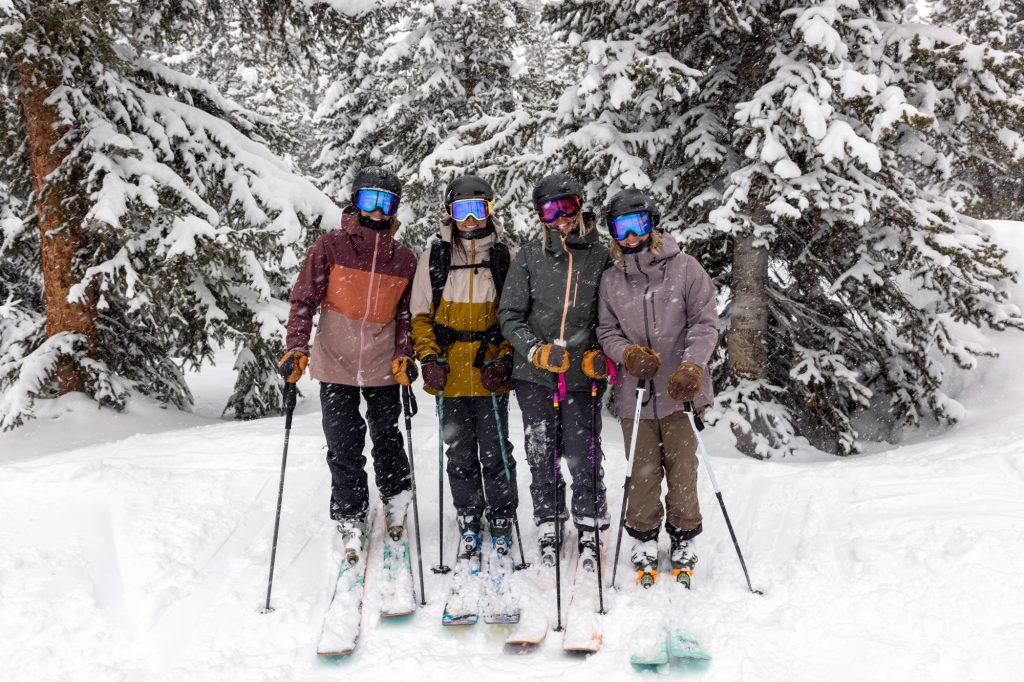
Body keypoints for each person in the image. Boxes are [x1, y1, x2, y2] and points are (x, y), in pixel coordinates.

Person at [278, 166, 419, 559]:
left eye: (385, 202)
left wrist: (403, 355)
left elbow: (405, 317)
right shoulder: (330, 246)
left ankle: (395, 498)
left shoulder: (404, 259)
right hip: (335, 363)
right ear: (355, 203)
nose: (376, 211)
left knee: (387, 440)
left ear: (394, 209)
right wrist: (296, 347)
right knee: (343, 445)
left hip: (382, 368)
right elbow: (303, 300)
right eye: (368, 201)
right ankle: (350, 513)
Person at [595, 188, 718, 587]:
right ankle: (644, 538)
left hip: (680, 391)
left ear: (652, 225)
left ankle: (683, 537)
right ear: (613, 233)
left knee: (683, 468)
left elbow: (704, 322)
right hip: (636, 393)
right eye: (620, 228)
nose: (630, 235)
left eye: (638, 225)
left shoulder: (685, 268)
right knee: (642, 472)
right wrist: (626, 353)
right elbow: (606, 329)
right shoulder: (612, 280)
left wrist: (691, 366)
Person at [498, 172, 612, 569]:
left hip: (582, 377)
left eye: (567, 207)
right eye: (550, 210)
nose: (560, 218)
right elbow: (510, 316)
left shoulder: (602, 257)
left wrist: (598, 355)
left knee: (584, 452)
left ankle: (590, 521)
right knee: (540, 451)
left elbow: (611, 317)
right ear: (540, 216)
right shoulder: (529, 257)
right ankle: (549, 520)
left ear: (580, 206)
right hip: (535, 377)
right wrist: (535, 351)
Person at [409, 174, 518, 572]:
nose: (470, 219)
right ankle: (469, 516)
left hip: (489, 370)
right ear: (449, 214)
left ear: (489, 210)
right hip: (450, 370)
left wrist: (504, 357)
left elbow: (514, 316)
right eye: (461, 211)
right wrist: (429, 358)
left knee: (496, 451)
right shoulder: (435, 257)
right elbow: (420, 315)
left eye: (477, 209)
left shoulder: (505, 257)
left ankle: (502, 515)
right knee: (459, 452)